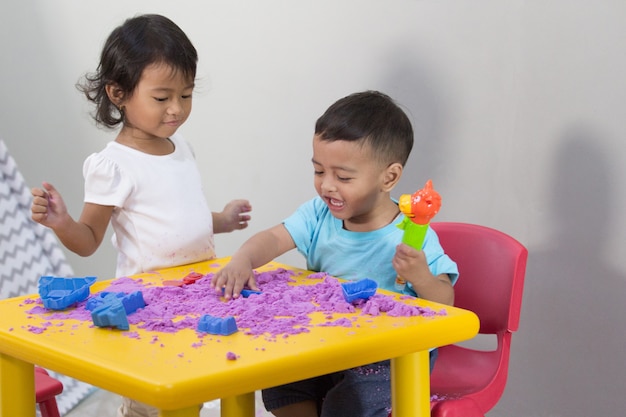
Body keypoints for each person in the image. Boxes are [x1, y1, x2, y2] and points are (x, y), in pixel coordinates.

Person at [30, 14, 251, 417]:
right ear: (118, 93)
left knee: (203, 384)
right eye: (162, 97)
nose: (177, 109)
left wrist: (223, 218)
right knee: (154, 401)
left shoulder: (180, 147)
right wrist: (61, 222)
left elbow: (183, 217)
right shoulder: (113, 165)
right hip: (148, 304)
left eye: (185, 95)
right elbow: (88, 238)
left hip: (199, 292)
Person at [211, 90, 459, 417]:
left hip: (388, 357)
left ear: (390, 177)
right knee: (278, 378)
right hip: (325, 342)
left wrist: (421, 278)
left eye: (343, 177)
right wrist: (242, 259)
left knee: (347, 402)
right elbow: (273, 238)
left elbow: (446, 304)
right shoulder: (318, 215)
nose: (327, 186)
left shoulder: (413, 235)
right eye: (319, 171)